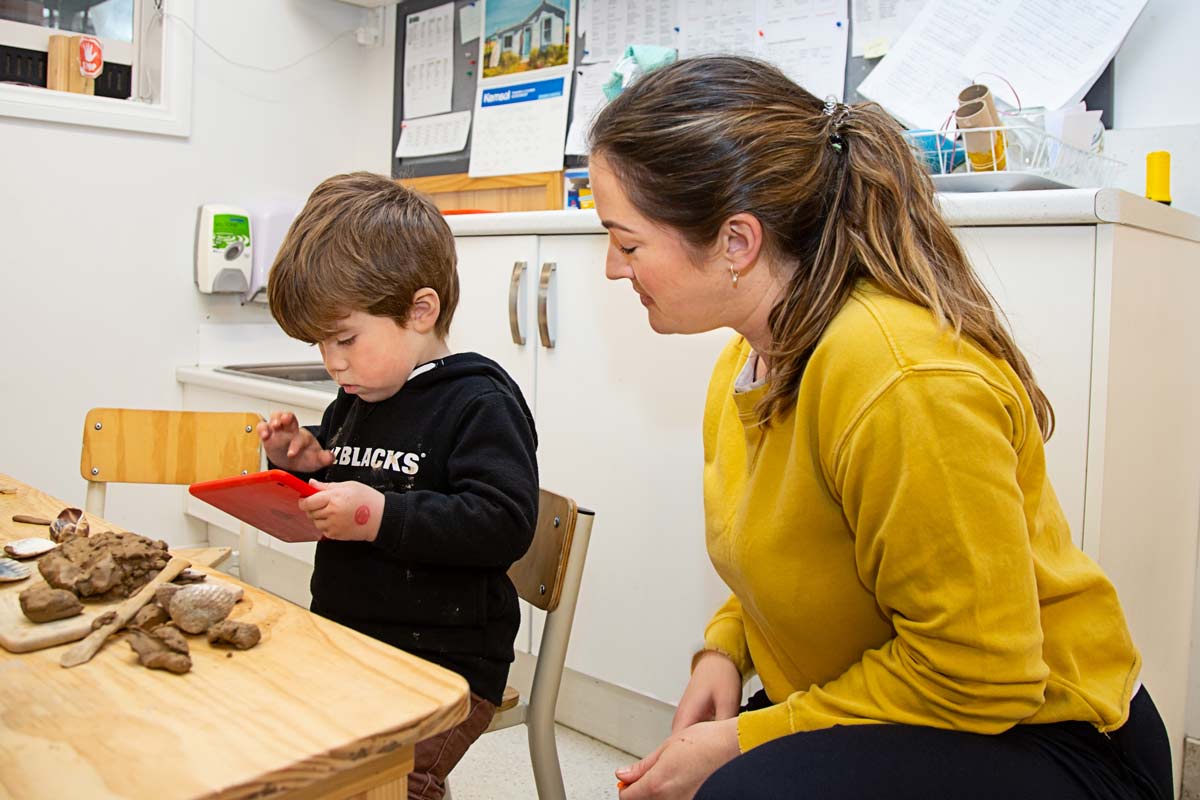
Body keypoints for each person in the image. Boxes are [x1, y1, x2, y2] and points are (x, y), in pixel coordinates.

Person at [588, 56, 1172, 800]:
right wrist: (724, 652)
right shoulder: (751, 362)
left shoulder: (899, 377)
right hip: (917, 700)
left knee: (739, 786)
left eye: (628, 242)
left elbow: (982, 673)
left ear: (738, 242)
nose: (612, 268)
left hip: (1048, 734)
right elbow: (793, 552)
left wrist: (747, 736)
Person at [260, 172, 539, 800]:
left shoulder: (478, 401)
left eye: (345, 339)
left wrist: (379, 517)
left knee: (387, 784)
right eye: (320, 344)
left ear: (421, 310)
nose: (332, 362)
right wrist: (303, 462)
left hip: (446, 668)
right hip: (348, 642)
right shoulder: (361, 392)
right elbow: (345, 479)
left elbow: (502, 523)